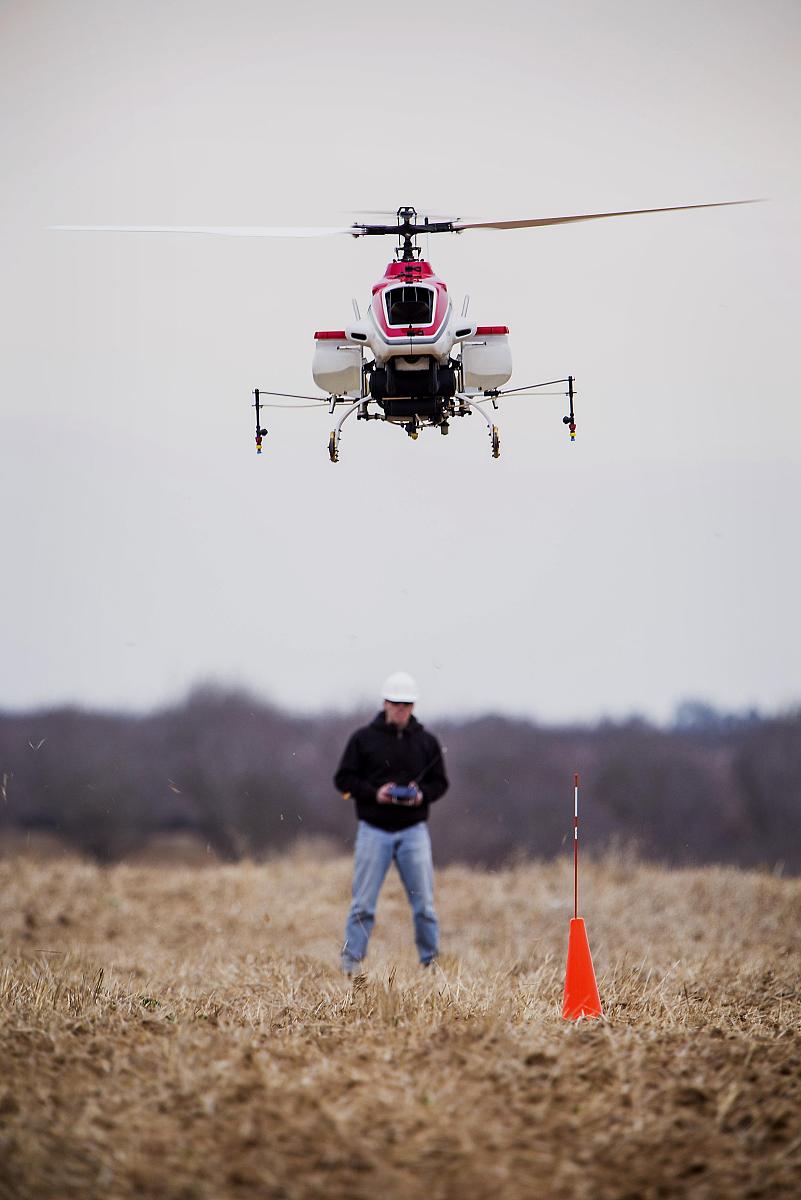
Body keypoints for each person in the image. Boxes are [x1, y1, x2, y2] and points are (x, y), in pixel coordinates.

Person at [334, 671, 449, 974]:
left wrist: (421, 795)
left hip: (414, 831)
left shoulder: (427, 742)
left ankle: (431, 962)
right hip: (373, 830)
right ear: (385, 703)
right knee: (363, 903)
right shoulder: (362, 740)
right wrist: (375, 794)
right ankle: (351, 961)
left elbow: (441, 784)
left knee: (424, 904)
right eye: (397, 703)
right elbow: (343, 781)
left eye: (407, 704)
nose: (402, 709)